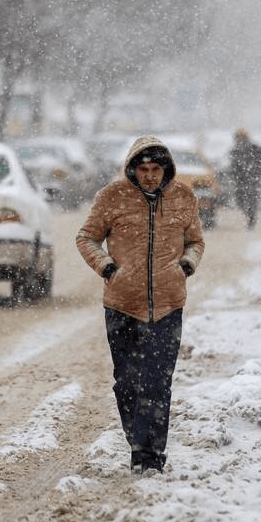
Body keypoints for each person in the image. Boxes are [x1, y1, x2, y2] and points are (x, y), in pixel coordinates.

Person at [76, 136, 205, 473]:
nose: (150, 176)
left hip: (168, 305)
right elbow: (86, 237)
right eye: (143, 169)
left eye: (156, 169)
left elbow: (195, 241)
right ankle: (138, 438)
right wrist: (106, 267)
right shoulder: (112, 196)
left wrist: (186, 265)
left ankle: (149, 458)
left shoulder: (183, 197)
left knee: (158, 382)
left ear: (166, 170)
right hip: (122, 305)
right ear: (133, 170)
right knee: (128, 382)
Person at [228, 128, 261, 229]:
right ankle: (249, 214)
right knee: (239, 200)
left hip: (251, 179)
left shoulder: (255, 149)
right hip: (240, 180)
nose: (238, 140)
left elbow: (260, 163)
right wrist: (234, 175)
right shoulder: (234, 150)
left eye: (240, 138)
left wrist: (256, 175)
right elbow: (233, 165)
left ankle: (251, 217)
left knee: (251, 199)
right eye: (237, 138)